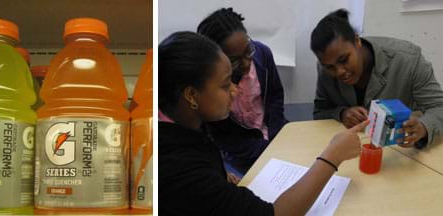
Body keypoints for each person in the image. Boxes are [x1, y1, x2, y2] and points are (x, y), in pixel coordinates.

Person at [159, 31, 369, 215]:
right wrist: (332, 156)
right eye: (225, 86)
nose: (235, 90)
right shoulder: (177, 166)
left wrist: (218, 178)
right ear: (191, 96)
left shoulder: (185, 123)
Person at [311, 9, 443, 148]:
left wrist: (423, 127)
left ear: (357, 41)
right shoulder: (325, 67)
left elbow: (439, 107)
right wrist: (342, 113)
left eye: (344, 60)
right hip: (349, 151)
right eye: (330, 67)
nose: (339, 72)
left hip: (399, 152)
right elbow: (320, 112)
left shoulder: (408, 60)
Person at [197, 8, 288, 174]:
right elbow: (223, 137)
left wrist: (277, 139)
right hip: (241, 153)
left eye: (248, 51)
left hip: (275, 137)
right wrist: (264, 150)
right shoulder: (210, 87)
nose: (246, 63)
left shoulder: (263, 54)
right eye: (234, 61)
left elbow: (275, 97)